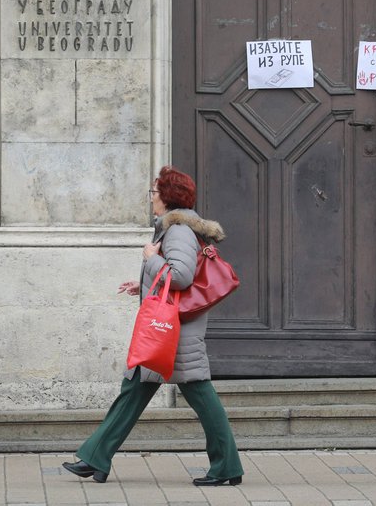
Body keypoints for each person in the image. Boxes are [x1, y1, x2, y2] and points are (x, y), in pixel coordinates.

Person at [63, 165, 244, 486]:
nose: (150, 200)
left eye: (153, 193)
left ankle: (227, 466)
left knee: (199, 394)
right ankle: (96, 458)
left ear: (167, 197)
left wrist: (151, 259)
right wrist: (144, 282)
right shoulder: (177, 229)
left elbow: (182, 275)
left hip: (174, 333)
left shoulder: (177, 231)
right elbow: (173, 276)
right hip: (169, 329)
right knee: (133, 389)